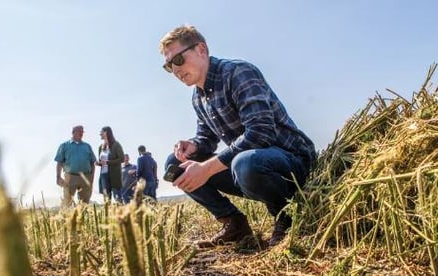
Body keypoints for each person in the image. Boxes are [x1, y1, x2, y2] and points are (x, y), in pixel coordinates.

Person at [159, 25, 316, 248]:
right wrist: (193, 145)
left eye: (178, 60)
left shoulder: (238, 72)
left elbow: (260, 132)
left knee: (245, 162)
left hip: (289, 161)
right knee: (176, 163)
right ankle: (234, 223)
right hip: (247, 167)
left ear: (201, 49)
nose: (175, 70)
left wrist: (206, 169)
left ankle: (286, 217)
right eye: (168, 66)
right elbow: (207, 138)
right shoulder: (198, 96)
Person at [54, 125, 97, 207]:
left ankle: (82, 218)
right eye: (79, 131)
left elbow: (93, 162)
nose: (81, 133)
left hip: (86, 177)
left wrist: (91, 177)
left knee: (84, 203)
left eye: (82, 131)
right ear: (73, 132)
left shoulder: (87, 146)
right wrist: (58, 177)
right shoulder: (64, 146)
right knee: (67, 201)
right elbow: (59, 162)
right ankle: (65, 218)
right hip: (70, 177)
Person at [96, 126, 124, 202]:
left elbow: (122, 159)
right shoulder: (100, 147)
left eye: (101, 132)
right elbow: (101, 161)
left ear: (106, 132)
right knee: (106, 199)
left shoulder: (116, 144)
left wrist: (108, 162)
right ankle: (108, 213)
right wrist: (98, 163)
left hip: (114, 175)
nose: (100, 134)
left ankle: (121, 213)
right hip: (103, 175)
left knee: (117, 197)